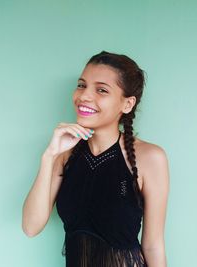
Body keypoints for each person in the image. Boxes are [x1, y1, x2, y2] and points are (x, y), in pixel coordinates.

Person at [22, 51, 170, 267]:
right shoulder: (64, 154)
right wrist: (49, 156)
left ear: (127, 104)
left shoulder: (150, 158)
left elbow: (153, 245)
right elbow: (30, 227)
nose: (84, 96)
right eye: (81, 85)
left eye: (101, 90)